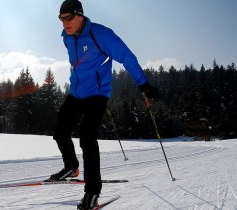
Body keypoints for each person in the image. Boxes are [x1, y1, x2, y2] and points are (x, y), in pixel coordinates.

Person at [49, 0, 158, 209]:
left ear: (80, 15)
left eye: (68, 18)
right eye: (60, 19)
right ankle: (71, 167)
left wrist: (144, 86)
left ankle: (92, 192)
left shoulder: (101, 34)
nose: (64, 23)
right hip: (76, 93)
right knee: (60, 132)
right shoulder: (67, 38)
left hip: (97, 94)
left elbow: (126, 56)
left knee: (87, 138)